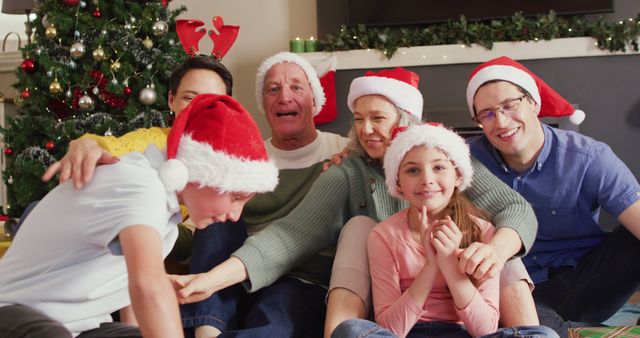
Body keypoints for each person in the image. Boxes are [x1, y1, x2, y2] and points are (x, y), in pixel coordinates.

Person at [173, 68, 540, 337]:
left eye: (378, 118)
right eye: (359, 119)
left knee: (499, 238)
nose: (366, 130)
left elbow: (517, 209)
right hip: (392, 301)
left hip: (464, 294)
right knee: (359, 227)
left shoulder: (446, 158)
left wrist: (493, 250)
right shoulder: (348, 170)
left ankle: (527, 332)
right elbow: (290, 235)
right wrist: (210, 279)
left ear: (404, 120)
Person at [43, 51, 350, 338]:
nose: (284, 96)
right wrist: (84, 143)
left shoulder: (341, 152)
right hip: (217, 259)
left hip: (292, 276)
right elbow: (117, 152)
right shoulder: (188, 153)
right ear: (171, 100)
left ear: (314, 99)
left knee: (276, 304)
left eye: (296, 87)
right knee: (219, 224)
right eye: (273, 89)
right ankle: (207, 328)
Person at [0, 94, 278, 338]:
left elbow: (133, 289)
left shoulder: (167, 218)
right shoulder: (140, 184)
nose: (234, 214)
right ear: (204, 174)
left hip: (79, 328)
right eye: (236, 197)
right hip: (13, 313)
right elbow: (148, 286)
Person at [465, 56, 640, 334]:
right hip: (520, 289)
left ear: (533, 103)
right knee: (534, 327)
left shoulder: (589, 157)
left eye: (510, 105)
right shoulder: (464, 162)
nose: (500, 121)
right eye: (486, 114)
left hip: (588, 276)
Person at [333, 123, 557, 338]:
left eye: (439, 167)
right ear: (398, 183)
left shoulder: (483, 231)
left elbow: (485, 328)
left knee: (543, 335)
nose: (427, 180)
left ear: (458, 175)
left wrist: (449, 262)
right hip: (409, 332)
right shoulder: (384, 235)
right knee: (349, 330)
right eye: (412, 170)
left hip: (465, 333)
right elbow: (392, 328)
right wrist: (429, 266)